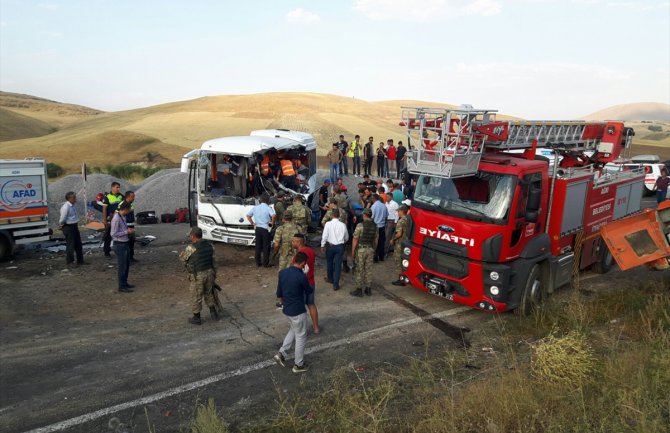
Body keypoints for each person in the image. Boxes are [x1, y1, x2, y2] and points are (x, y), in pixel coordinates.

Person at [273, 251, 313, 373]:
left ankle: (282, 353)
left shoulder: (283, 273)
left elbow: (279, 293)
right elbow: (309, 290)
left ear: (293, 260)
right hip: (298, 310)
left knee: (293, 330)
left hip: (287, 309)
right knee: (301, 336)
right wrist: (305, 275)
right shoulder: (301, 276)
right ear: (304, 264)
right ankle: (298, 365)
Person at [179, 227, 220, 324]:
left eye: (190, 236)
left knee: (196, 295)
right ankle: (213, 313)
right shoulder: (210, 245)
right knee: (209, 293)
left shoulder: (191, 248)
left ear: (193, 236)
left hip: (198, 275)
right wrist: (214, 274)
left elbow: (183, 259)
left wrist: (181, 256)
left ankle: (196, 317)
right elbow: (214, 261)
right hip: (210, 272)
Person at [292, 233, 320, 334]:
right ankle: (316, 327)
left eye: (293, 241)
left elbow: (296, 270)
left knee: (301, 308)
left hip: (301, 284)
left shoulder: (298, 256)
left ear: (298, 242)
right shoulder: (311, 251)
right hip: (311, 281)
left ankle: (302, 330)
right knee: (311, 304)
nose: (292, 243)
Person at [350, 208, 378, 297]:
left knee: (359, 269)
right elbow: (376, 240)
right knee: (368, 270)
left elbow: (355, 239)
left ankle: (359, 290)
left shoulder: (360, 225)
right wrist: (373, 249)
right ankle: (368, 289)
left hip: (361, 250)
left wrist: (353, 251)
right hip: (370, 249)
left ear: (364, 215)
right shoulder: (375, 226)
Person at [321, 208, 349, 291]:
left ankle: (330, 278)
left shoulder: (328, 224)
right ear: (339, 215)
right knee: (338, 265)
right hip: (340, 246)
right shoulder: (343, 225)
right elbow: (346, 237)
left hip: (330, 246)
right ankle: (336, 284)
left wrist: (322, 245)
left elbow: (325, 235)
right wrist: (342, 242)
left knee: (329, 262)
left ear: (331, 215)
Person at [246, 193, 276, 267]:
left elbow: (248, 215)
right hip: (265, 229)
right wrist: (272, 222)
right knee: (266, 246)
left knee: (258, 246)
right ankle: (265, 263)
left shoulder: (255, 208)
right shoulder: (268, 208)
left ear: (260, 200)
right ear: (268, 200)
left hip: (258, 228)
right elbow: (274, 215)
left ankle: (258, 262)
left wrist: (252, 223)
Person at [111, 202, 134, 292]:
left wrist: (127, 230)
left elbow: (121, 229)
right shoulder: (116, 218)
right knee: (122, 266)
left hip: (124, 242)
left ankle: (124, 283)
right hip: (119, 244)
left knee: (126, 264)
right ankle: (121, 286)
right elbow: (113, 234)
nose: (129, 211)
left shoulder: (122, 217)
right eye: (128, 210)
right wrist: (126, 232)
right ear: (125, 209)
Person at [58, 191, 86, 266]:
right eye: (74, 198)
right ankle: (70, 261)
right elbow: (63, 218)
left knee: (78, 244)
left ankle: (80, 260)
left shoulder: (72, 206)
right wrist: (61, 225)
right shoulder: (65, 207)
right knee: (71, 245)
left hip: (74, 226)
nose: (75, 199)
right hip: (68, 227)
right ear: (69, 198)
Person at [102, 182, 124, 257]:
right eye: (117, 187)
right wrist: (105, 220)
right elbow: (104, 208)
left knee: (120, 235)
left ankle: (118, 250)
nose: (119, 189)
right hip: (110, 219)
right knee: (108, 235)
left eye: (119, 187)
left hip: (120, 219)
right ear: (112, 188)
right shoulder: (107, 197)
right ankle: (106, 252)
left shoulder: (121, 196)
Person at [391, 205, 410, 286]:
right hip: (406, 242)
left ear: (402, 211)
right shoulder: (408, 219)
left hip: (400, 243)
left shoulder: (401, 221)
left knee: (398, 260)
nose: (398, 213)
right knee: (404, 261)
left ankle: (401, 279)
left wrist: (393, 240)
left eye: (398, 211)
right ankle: (405, 277)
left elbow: (399, 234)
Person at [370, 194, 388, 262]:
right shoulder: (384, 205)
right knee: (382, 242)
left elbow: (372, 217)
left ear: (373, 199)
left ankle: (375, 258)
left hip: (376, 226)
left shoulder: (374, 206)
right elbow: (386, 217)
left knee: (375, 243)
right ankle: (381, 257)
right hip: (382, 226)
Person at [121, 190, 137, 263]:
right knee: (126, 243)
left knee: (131, 242)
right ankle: (127, 259)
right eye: (132, 197)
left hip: (131, 225)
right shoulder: (122, 204)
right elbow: (119, 214)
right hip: (126, 225)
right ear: (128, 197)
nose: (134, 198)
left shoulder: (131, 204)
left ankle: (131, 257)